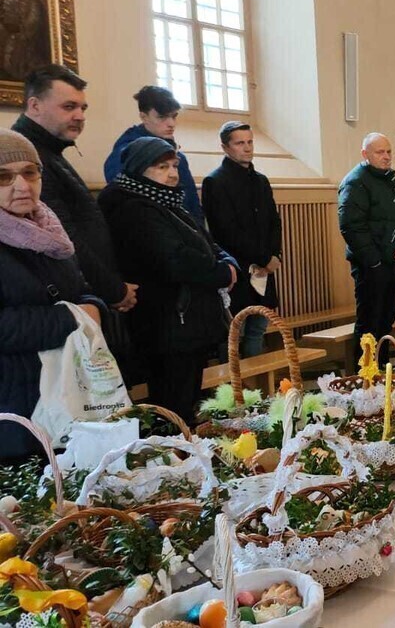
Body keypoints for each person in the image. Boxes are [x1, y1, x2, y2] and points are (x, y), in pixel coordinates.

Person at [99, 137, 236, 424]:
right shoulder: (134, 207)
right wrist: (223, 272)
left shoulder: (167, 201)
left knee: (186, 401)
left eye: (174, 165)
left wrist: (225, 262)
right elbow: (177, 260)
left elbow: (206, 244)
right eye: (162, 166)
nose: (173, 173)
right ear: (140, 169)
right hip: (168, 324)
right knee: (173, 405)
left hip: (186, 322)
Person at [0, 129, 103, 464]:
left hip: (63, 395)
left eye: (30, 172)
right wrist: (73, 317)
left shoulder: (47, 229)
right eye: (3, 177)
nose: (22, 186)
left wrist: (94, 307)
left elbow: (77, 289)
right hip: (14, 406)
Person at [12, 65, 137, 316]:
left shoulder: (50, 149)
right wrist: (113, 289)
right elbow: (64, 234)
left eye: (83, 108)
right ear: (35, 106)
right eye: (69, 107)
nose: (80, 115)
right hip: (72, 297)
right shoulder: (27, 157)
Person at [337, 132, 395, 366]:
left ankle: (384, 374)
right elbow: (351, 226)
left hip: (391, 264)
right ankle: (364, 378)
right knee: (369, 324)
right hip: (370, 266)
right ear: (365, 154)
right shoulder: (355, 182)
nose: (386, 157)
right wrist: (375, 261)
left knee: (387, 321)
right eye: (380, 152)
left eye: (388, 152)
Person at [202, 121, 282, 357]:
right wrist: (262, 257)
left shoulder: (260, 180)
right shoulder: (215, 182)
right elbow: (226, 231)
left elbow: (273, 222)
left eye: (250, 142)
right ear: (225, 147)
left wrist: (275, 255)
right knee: (237, 331)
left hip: (265, 266)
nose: (247, 148)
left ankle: (255, 388)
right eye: (239, 143)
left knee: (258, 327)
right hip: (239, 267)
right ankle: (238, 389)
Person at [102, 86, 205, 227]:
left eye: (174, 116)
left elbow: (191, 200)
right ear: (144, 117)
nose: (171, 124)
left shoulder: (177, 155)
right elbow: (128, 205)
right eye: (162, 117)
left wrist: (200, 234)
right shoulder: (127, 154)